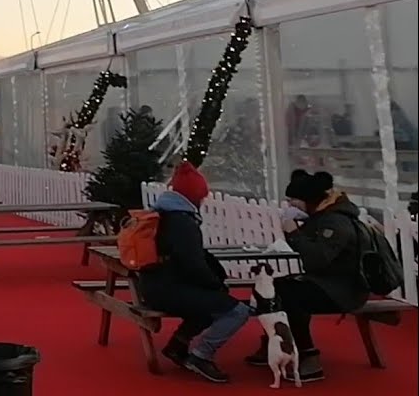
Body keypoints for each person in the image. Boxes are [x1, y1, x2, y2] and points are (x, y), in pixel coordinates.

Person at [244, 170, 368, 383]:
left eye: (294, 201)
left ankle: (308, 355)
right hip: (327, 282)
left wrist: (294, 233)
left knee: (290, 295)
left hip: (343, 289)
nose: (290, 206)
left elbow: (316, 259)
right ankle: (276, 342)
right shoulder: (321, 216)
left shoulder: (336, 222)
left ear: (308, 200)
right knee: (275, 288)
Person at [138, 161, 250, 384]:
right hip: (168, 290)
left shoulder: (163, 214)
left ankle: (177, 346)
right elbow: (193, 264)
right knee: (237, 311)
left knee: (207, 307)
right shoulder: (183, 222)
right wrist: (215, 285)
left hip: (155, 285)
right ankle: (202, 355)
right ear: (194, 195)